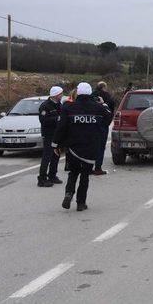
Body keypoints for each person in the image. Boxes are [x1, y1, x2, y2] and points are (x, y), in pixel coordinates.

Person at [52, 82, 112, 211]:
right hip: (90, 148)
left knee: (73, 173)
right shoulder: (98, 108)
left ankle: (69, 193)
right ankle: (81, 203)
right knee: (85, 176)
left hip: (73, 147)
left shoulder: (68, 107)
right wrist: (103, 104)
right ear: (90, 93)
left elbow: (61, 127)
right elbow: (107, 120)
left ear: (77, 93)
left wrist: (56, 144)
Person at [37, 86, 64, 187]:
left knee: (56, 155)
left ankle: (52, 175)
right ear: (56, 95)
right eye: (60, 94)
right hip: (49, 135)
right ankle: (42, 179)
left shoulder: (59, 105)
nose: (61, 95)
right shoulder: (45, 106)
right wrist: (57, 119)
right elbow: (43, 121)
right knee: (47, 157)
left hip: (57, 134)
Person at [91, 81, 115, 175]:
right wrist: (107, 123)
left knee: (91, 146)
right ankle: (98, 168)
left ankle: (88, 167)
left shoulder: (91, 96)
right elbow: (110, 111)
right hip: (102, 126)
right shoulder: (107, 97)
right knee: (100, 147)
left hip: (91, 125)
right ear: (104, 87)